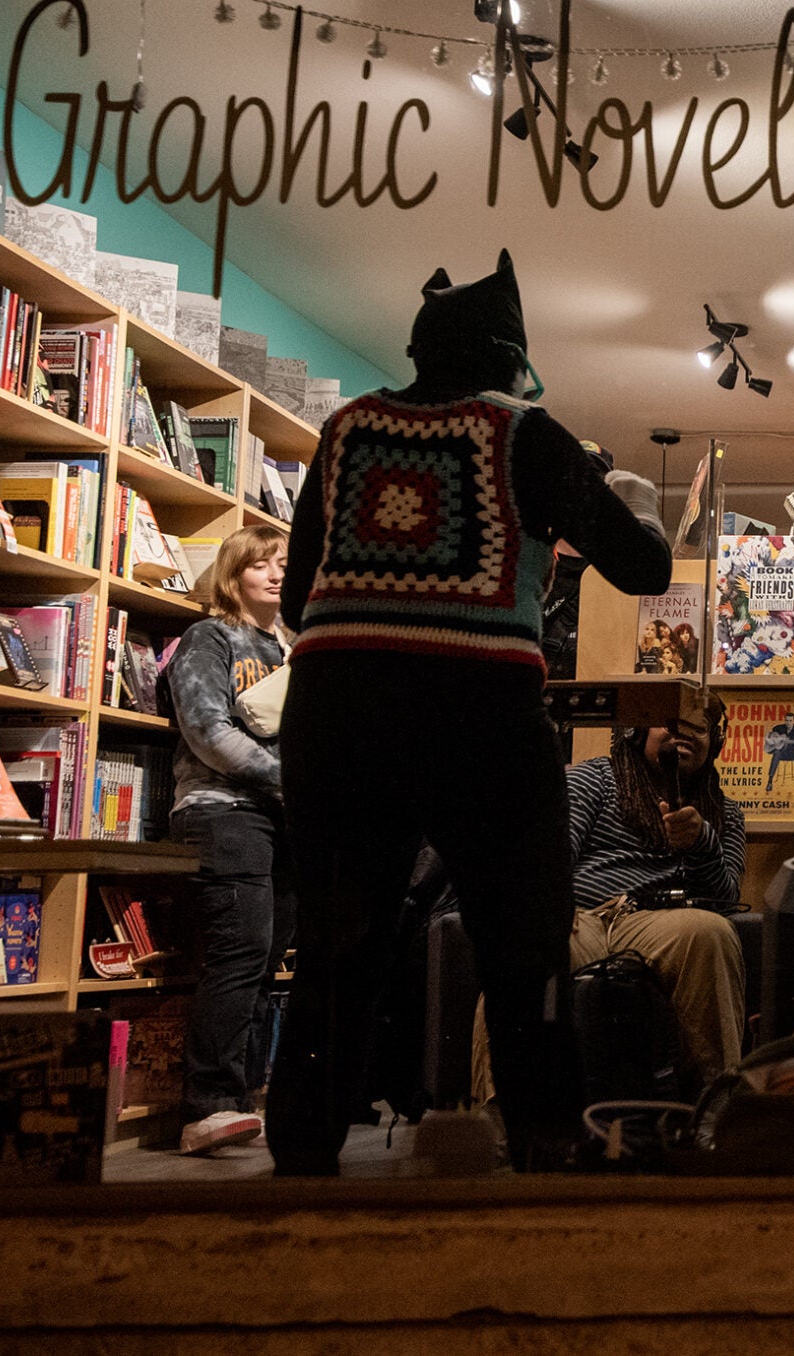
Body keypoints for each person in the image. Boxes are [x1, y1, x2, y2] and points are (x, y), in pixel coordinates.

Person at [272, 250, 673, 1175]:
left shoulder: (346, 429)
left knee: (339, 941)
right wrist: (632, 510)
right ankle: (542, 1134)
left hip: (337, 719)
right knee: (522, 939)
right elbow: (644, 570)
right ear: (509, 356)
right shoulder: (526, 434)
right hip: (479, 718)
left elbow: (299, 601)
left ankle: (302, 1152)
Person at [164, 524, 295, 1157]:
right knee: (241, 952)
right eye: (261, 564)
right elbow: (207, 731)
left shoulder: (293, 647)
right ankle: (206, 1106)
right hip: (223, 810)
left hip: (287, 818)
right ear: (233, 573)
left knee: (268, 960)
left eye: (284, 564)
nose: (276, 574)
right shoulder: (209, 637)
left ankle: (240, 1099)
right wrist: (292, 781)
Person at [563, 689, 748, 1084]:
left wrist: (702, 843)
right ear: (637, 733)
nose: (682, 735)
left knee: (711, 931)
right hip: (582, 915)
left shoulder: (726, 813)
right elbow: (553, 860)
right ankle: (505, 1112)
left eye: (697, 728)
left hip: (660, 922)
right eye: (670, 724)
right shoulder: (591, 779)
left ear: (714, 743)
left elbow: (726, 899)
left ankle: (713, 1102)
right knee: (535, 937)